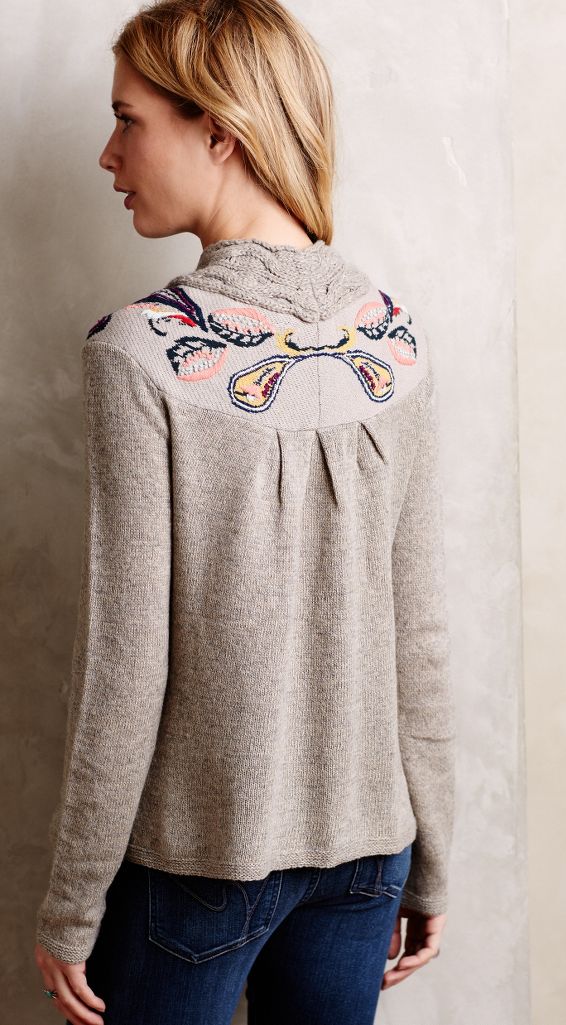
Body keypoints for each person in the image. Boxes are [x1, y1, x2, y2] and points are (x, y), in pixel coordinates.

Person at [33, 1, 455, 1023]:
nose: (108, 153)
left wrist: (71, 901)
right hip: (370, 860)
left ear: (219, 130)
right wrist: (434, 859)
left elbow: (125, 662)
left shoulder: (141, 353)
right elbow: (422, 636)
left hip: (199, 864)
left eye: (128, 120)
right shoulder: (394, 341)